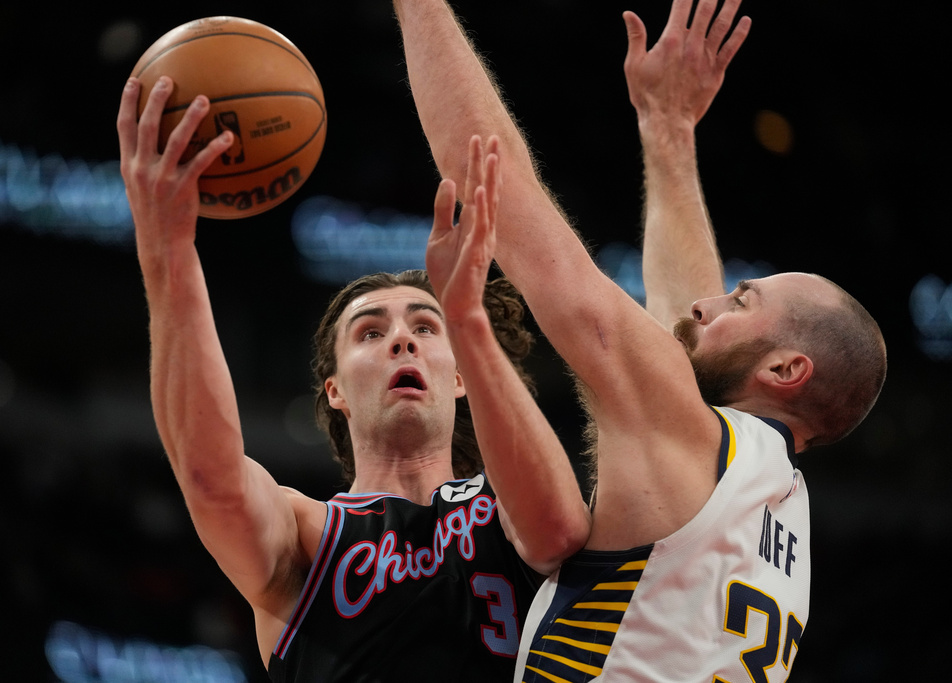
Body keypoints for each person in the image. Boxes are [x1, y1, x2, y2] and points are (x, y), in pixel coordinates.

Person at [391, 0, 887, 680]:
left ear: (786, 367)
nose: (708, 304)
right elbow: (684, 321)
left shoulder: (691, 434)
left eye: (742, 299)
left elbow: (497, 192)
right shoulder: (777, 506)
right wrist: (668, 127)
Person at [115, 70, 589, 682]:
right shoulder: (303, 534)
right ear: (334, 390)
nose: (400, 338)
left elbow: (557, 528)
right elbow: (210, 477)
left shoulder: (511, 507)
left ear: (464, 374)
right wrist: (168, 250)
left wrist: (467, 316)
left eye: (426, 326)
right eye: (370, 332)